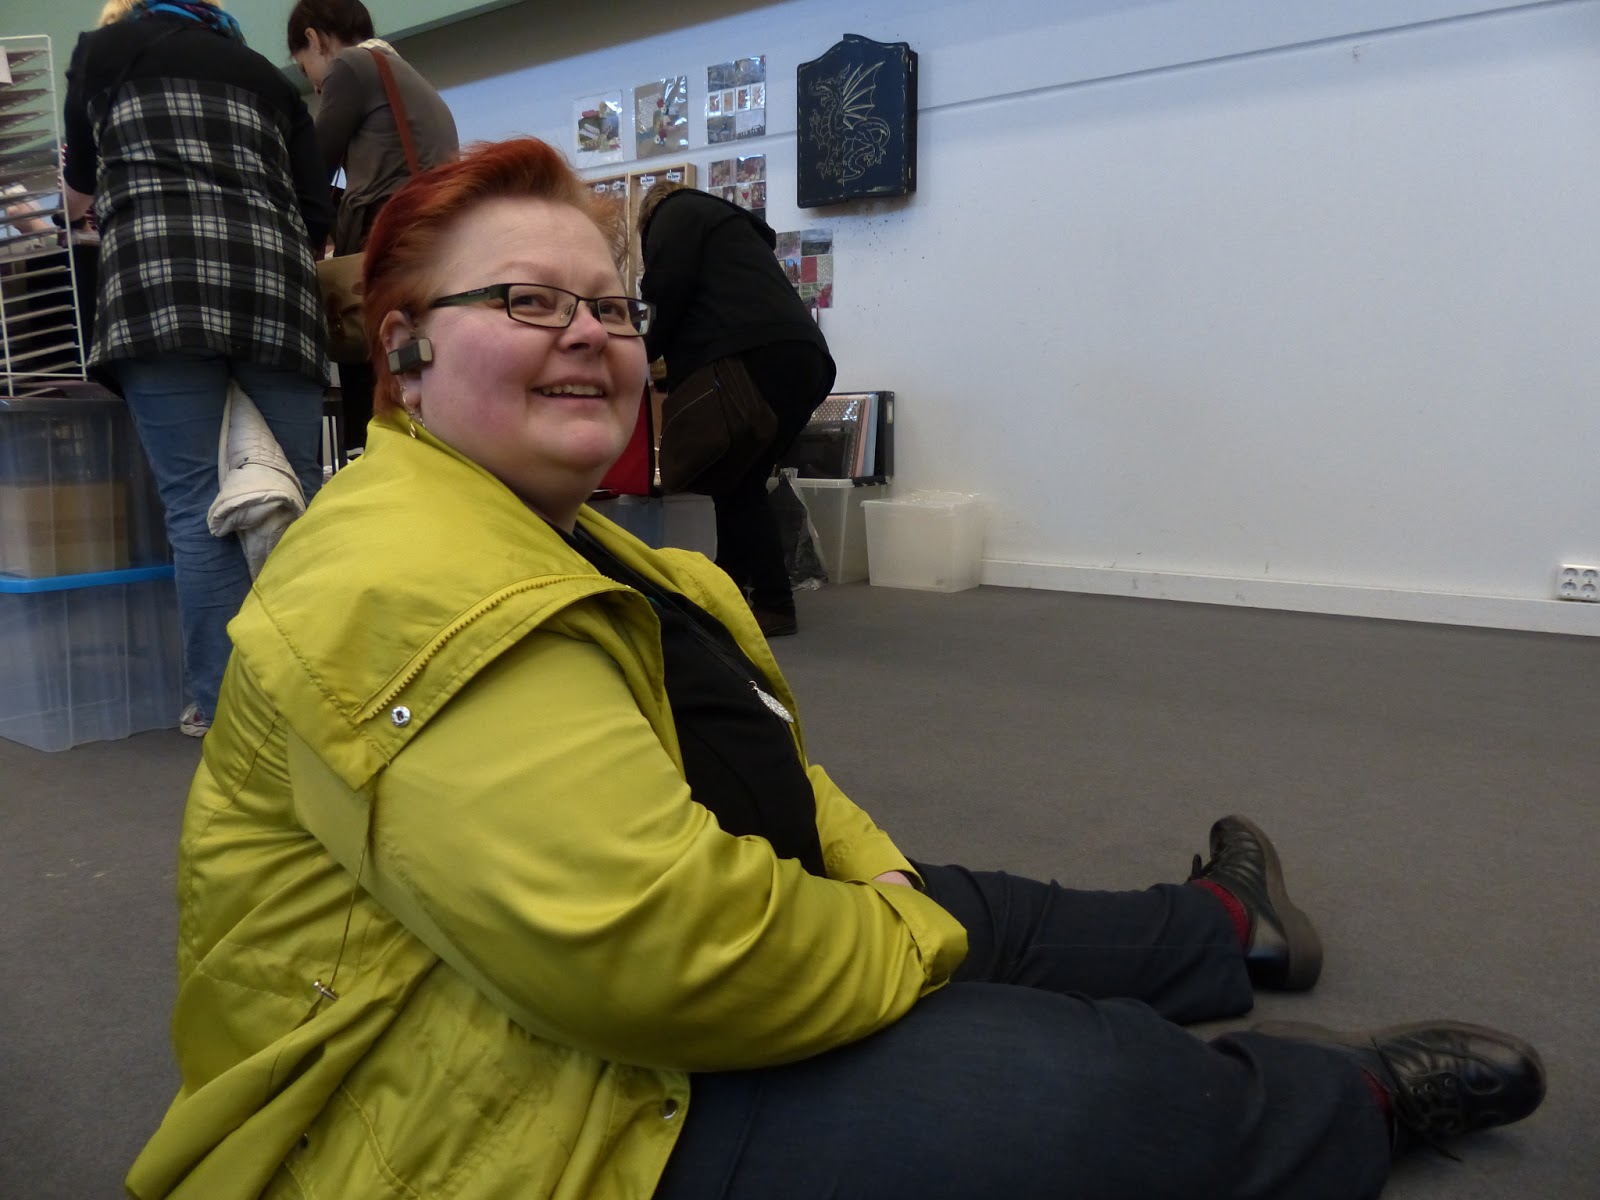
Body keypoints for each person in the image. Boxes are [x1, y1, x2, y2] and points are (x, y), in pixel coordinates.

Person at [125, 137, 1544, 1199]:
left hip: (600, 965)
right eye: (529, 301)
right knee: (1073, 1086)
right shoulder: (404, 573)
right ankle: (1347, 1105)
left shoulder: (565, 537)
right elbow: (658, 954)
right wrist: (909, 945)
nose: (591, 337)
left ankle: (1226, 926)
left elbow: (773, 775)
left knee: (987, 907)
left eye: (610, 308)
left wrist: (884, 888)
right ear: (407, 350)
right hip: (468, 1101)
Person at [62, 0, 331, 738]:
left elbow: (80, 188)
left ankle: (223, 708)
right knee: (298, 497)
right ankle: (312, 695)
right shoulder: (265, 76)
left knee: (198, 507)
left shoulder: (101, 55)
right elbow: (316, 210)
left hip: (157, 286)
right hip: (275, 287)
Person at [638, 181, 835, 638]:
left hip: (756, 356)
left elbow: (665, 293)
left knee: (737, 480)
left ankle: (772, 602)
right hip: (805, 357)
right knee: (737, 479)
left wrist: (637, 353)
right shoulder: (729, 229)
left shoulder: (673, 213)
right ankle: (729, 589)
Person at [286, 0, 458, 453]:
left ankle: (373, 468)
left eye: (305, 69)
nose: (315, 84)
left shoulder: (351, 66)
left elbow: (311, 167)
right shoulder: (409, 77)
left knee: (367, 377)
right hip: (429, 244)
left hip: (380, 241)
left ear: (313, 39)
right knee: (409, 370)